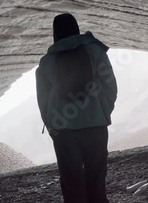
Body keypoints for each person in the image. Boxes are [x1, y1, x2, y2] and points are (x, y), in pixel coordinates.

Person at [35, 13, 118, 203]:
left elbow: (43, 99)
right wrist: (102, 111)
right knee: (96, 178)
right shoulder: (95, 52)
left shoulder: (47, 62)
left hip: (64, 130)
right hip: (96, 126)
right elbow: (111, 87)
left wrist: (52, 126)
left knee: (72, 183)